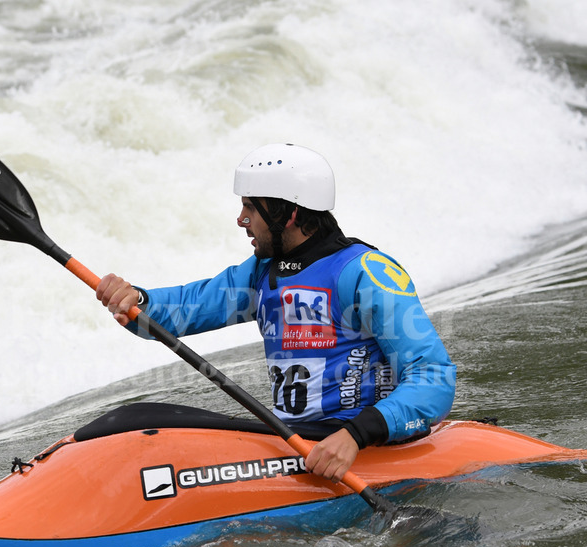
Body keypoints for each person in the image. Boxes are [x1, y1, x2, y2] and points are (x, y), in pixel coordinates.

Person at [95, 143, 455, 483]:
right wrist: (137, 300)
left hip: (360, 441)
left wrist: (356, 434)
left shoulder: (363, 272)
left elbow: (434, 377)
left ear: (290, 213)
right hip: (298, 441)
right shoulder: (262, 274)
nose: (241, 219)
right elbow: (187, 307)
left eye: (251, 207)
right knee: (145, 419)